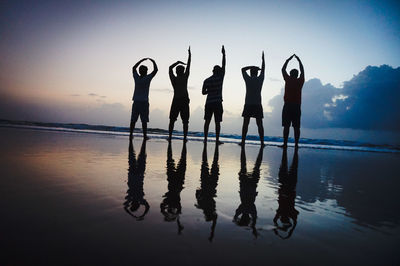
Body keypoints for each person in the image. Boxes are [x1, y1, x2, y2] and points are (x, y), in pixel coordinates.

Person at [240, 51, 265, 147]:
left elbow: (242, 69)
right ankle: (262, 143)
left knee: (245, 124)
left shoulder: (248, 79)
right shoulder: (260, 79)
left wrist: (252, 66)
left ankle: (243, 142)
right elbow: (264, 69)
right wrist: (262, 60)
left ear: (250, 73)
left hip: (248, 104)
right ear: (257, 73)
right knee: (259, 124)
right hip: (257, 104)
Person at [273, 147, 299, 239]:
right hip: (287, 186)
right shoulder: (285, 212)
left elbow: (295, 223)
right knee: (288, 165)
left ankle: (290, 150)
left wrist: (288, 231)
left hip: (288, 186)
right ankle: (294, 150)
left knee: (289, 165)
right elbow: (274, 220)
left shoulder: (286, 213)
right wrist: (278, 229)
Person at [202, 45, 226, 145]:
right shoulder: (220, 77)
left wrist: (210, 91)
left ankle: (205, 139)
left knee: (207, 121)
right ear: (219, 71)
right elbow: (224, 65)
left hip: (209, 102)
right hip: (217, 103)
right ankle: (217, 140)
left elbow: (203, 92)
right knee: (217, 122)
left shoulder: (206, 80)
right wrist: (224, 54)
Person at [130, 58, 158, 141]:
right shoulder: (147, 78)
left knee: (133, 119)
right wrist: (153, 61)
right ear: (145, 71)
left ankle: (131, 134)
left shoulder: (137, 78)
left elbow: (133, 68)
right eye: (146, 70)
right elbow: (155, 70)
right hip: (144, 102)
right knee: (144, 120)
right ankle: (145, 136)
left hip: (136, 101)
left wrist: (141, 61)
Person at [168, 47, 191, 142]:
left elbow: (170, 68)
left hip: (180, 100)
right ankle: (180, 137)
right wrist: (189, 56)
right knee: (179, 120)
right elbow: (188, 66)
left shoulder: (177, 78)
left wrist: (178, 62)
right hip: (180, 100)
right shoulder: (179, 78)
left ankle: (173, 137)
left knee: (181, 120)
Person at [281, 54, 304, 148]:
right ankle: (296, 145)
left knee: (286, 126)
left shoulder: (288, 79)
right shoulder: (300, 81)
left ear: (290, 74)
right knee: (296, 127)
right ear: (297, 75)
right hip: (296, 106)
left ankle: (285, 144)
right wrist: (299, 61)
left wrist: (288, 60)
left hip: (288, 105)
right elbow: (302, 71)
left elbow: (283, 69)